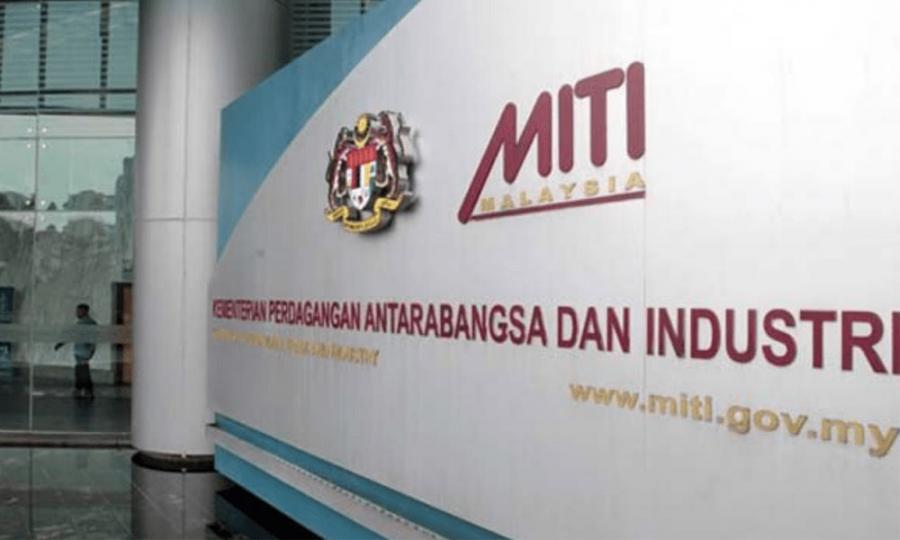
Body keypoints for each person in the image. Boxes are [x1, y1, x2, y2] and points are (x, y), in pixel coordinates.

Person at [54, 303, 97, 399]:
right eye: (77, 311)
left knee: (82, 370)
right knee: (81, 370)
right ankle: (83, 389)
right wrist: (92, 350)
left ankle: (83, 389)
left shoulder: (84, 323)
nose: (77, 313)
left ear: (85, 311)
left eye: (79, 311)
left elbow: (71, 335)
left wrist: (60, 344)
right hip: (83, 350)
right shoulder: (89, 323)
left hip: (82, 350)